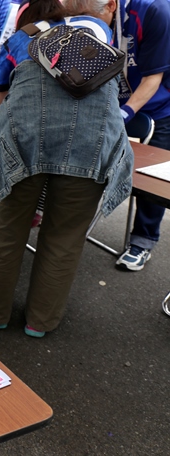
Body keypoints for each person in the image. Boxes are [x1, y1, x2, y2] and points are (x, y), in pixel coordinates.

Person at [0, 0, 134, 337]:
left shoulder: (22, 38)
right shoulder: (101, 32)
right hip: (90, 145)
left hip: (23, 141)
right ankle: (40, 322)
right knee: (65, 238)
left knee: (6, 231)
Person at [111, 0, 170, 271]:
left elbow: (153, 78)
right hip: (121, 96)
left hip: (160, 105)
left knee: (152, 179)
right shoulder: (101, 9)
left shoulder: (156, 9)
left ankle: (142, 241)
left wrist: (123, 114)